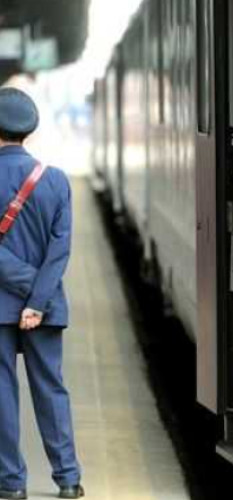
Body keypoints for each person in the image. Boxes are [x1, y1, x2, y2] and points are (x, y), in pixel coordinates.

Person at [0, 87, 83, 499]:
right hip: (46, 308)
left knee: (2, 393)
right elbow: (60, 250)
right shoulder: (54, 180)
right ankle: (67, 479)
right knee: (51, 389)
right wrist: (37, 300)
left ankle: (11, 484)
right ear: (28, 131)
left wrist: (24, 289)